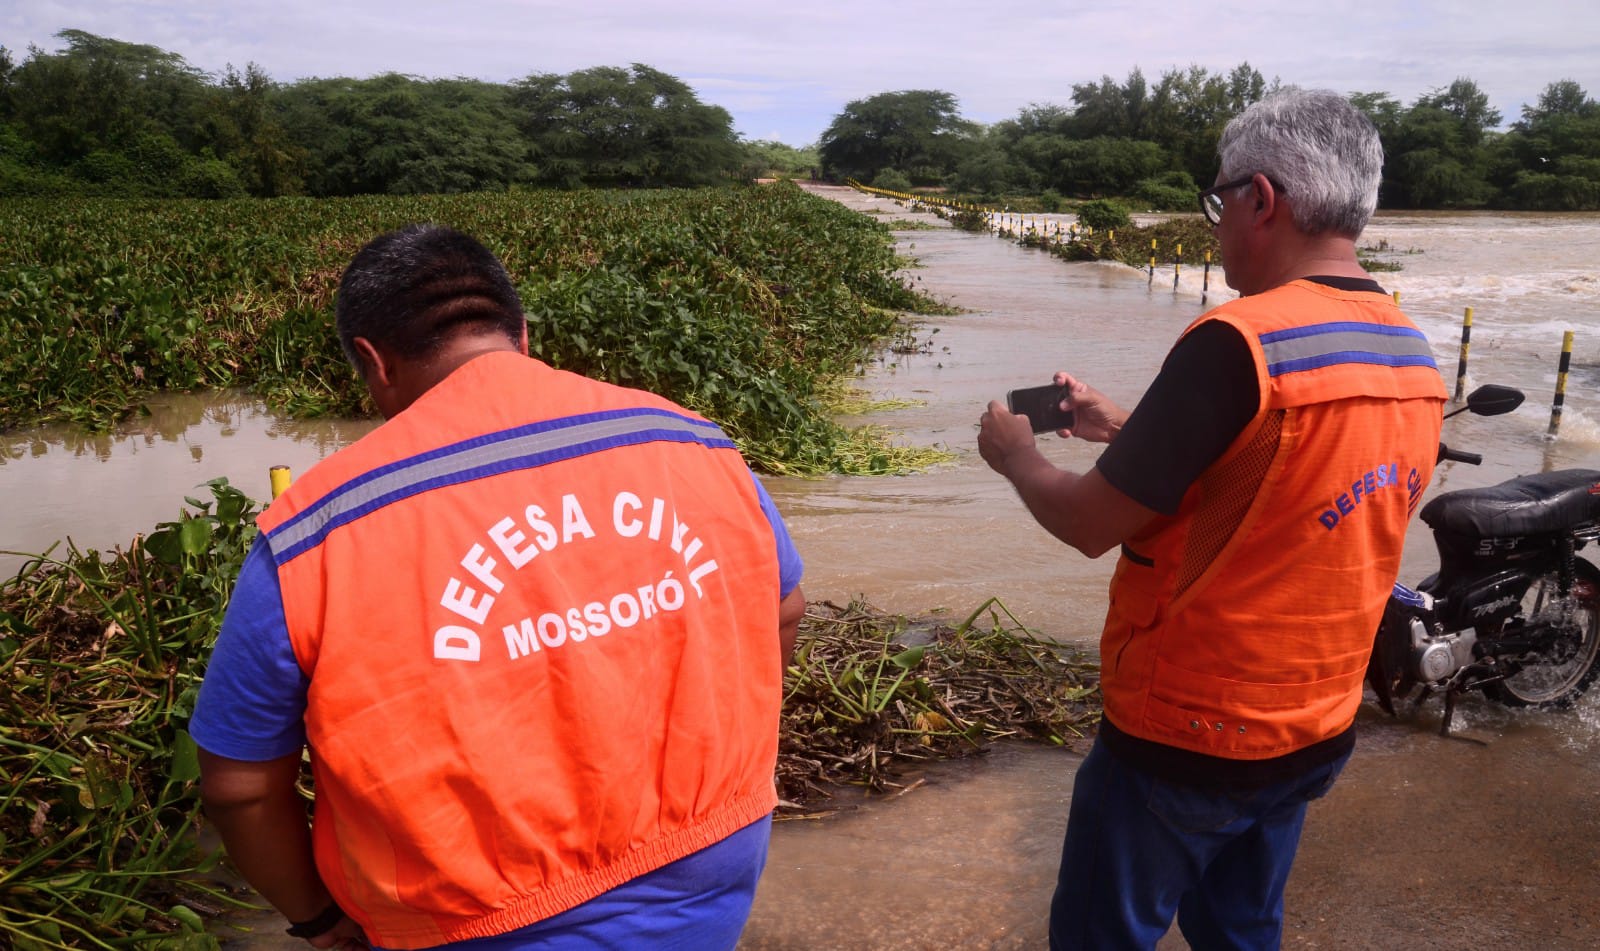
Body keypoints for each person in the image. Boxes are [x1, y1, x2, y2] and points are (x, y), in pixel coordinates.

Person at [190, 224, 806, 951]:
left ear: (371, 360)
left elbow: (241, 787)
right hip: (716, 857)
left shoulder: (316, 528)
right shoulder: (688, 436)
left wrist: (322, 922)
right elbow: (782, 607)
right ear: (522, 333)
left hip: (472, 917)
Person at [977, 88, 1449, 950]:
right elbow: (1288, 479)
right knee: (1241, 932)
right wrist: (1127, 427)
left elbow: (1088, 522)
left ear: (1261, 199)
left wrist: (1019, 453)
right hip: (1316, 724)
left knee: (1100, 933)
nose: (1216, 223)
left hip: (1189, 732)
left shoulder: (1236, 341)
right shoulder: (1410, 352)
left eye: (1219, 200)